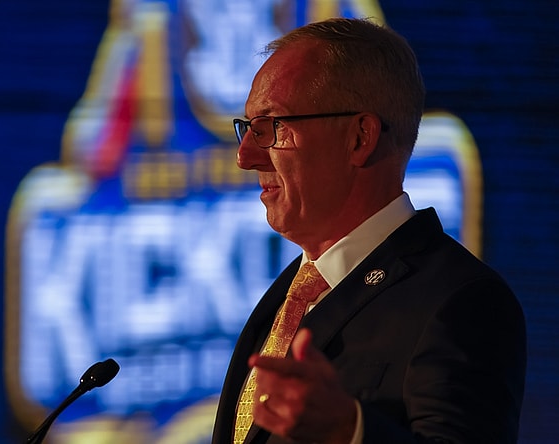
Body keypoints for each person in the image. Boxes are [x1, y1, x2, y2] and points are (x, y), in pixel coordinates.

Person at [211, 17, 526, 444]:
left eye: (273, 127)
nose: (246, 157)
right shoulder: (289, 294)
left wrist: (350, 431)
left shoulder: (462, 301)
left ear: (360, 137)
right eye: (247, 128)